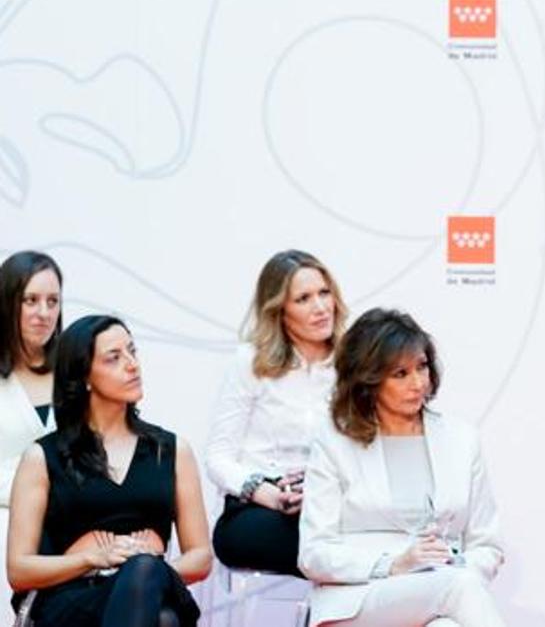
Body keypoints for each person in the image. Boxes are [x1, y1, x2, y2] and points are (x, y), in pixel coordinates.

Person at [299, 308, 505, 627]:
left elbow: (487, 545)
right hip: (358, 599)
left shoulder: (462, 439)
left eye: (422, 367)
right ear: (368, 379)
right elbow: (314, 553)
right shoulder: (334, 443)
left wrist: (457, 561)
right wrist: (393, 563)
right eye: (400, 374)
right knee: (457, 586)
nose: (418, 383)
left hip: (439, 588)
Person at [5, 315, 212, 626]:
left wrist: (141, 568)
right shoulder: (42, 457)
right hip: (71, 598)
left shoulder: (171, 450)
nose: (132, 365)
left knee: (147, 578)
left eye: (132, 351)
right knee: (163, 618)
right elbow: (19, 571)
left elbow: (201, 557)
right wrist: (93, 559)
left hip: (152, 587)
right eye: (114, 358)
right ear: (84, 376)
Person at [204, 249, 346, 576]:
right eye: (304, 299)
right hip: (257, 509)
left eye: (325, 293)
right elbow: (218, 456)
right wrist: (264, 492)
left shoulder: (350, 365)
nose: (321, 307)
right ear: (279, 310)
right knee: (335, 549)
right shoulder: (251, 362)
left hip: (329, 506)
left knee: (349, 538)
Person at [0, 251, 63, 617]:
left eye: (52, 301)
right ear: (9, 303)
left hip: (64, 522)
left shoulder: (75, 376)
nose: (44, 313)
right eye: (31, 300)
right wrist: (33, 493)